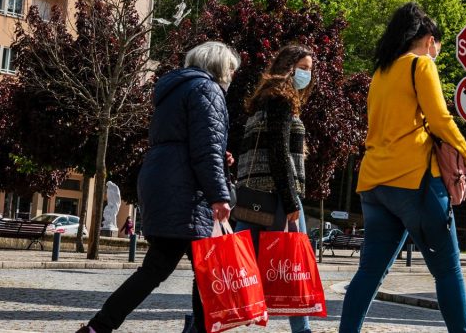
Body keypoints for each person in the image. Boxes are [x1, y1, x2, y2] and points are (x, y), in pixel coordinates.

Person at [76, 41, 240, 333]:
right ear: (218, 67)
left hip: (163, 185)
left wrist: (218, 157)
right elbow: (205, 150)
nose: (232, 75)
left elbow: (185, 142)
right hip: (187, 196)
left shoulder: (174, 91)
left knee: (155, 270)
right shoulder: (208, 90)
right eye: (231, 69)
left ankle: (97, 328)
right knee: (208, 273)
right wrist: (219, 195)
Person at [339, 2, 466, 333]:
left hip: (374, 183)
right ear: (429, 40)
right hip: (414, 181)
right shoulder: (421, 65)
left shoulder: (380, 73)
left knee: (370, 272)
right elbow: (441, 119)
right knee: (447, 270)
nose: (435, 56)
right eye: (437, 50)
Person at [235, 44, 315, 333]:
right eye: (303, 68)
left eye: (310, 69)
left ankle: (204, 319)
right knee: (296, 264)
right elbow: (279, 152)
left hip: (252, 195)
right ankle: (301, 328)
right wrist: (292, 200)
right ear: (289, 66)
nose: (307, 74)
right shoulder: (281, 99)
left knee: (242, 266)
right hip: (278, 195)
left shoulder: (261, 101)